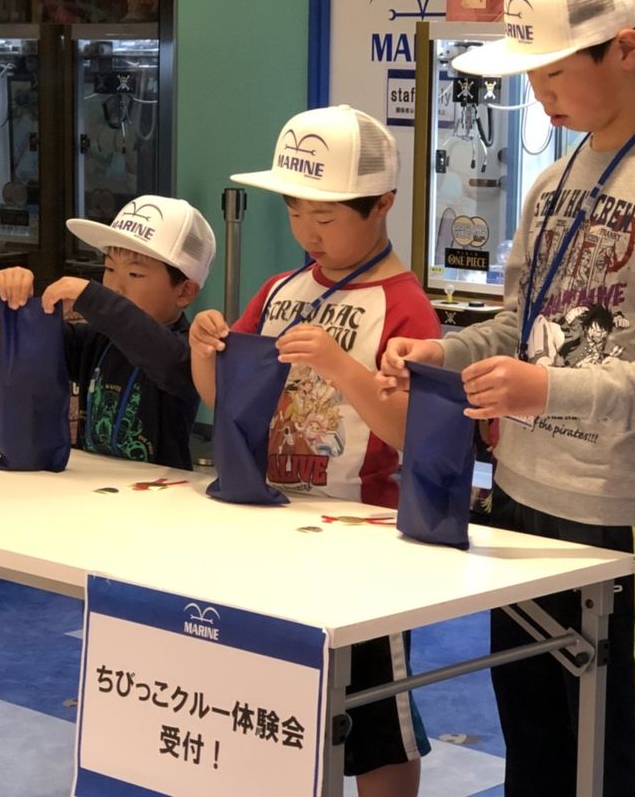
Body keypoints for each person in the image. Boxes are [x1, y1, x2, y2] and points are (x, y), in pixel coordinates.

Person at [378, 0, 635, 797]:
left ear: (627, 47)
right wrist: (446, 351)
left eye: (553, 70)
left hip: (620, 516)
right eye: (531, 73)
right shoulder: (556, 180)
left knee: (619, 748)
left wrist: (548, 390)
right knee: (535, 738)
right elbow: (522, 323)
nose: (540, 92)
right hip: (523, 499)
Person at [188, 105, 440, 797]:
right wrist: (203, 347)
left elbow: (414, 435)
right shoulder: (279, 291)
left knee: (377, 714)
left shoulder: (404, 306)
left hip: (366, 540)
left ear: (382, 204)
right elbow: (227, 403)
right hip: (273, 527)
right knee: (282, 697)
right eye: (296, 213)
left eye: (325, 218)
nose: (308, 233)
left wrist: (342, 367)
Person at [0, 195, 215, 470]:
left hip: (161, 492)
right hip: (93, 486)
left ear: (185, 291)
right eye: (109, 268)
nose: (115, 287)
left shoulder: (189, 352)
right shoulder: (96, 340)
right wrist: (19, 300)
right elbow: (40, 345)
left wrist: (95, 299)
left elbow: (161, 353)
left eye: (135, 274)